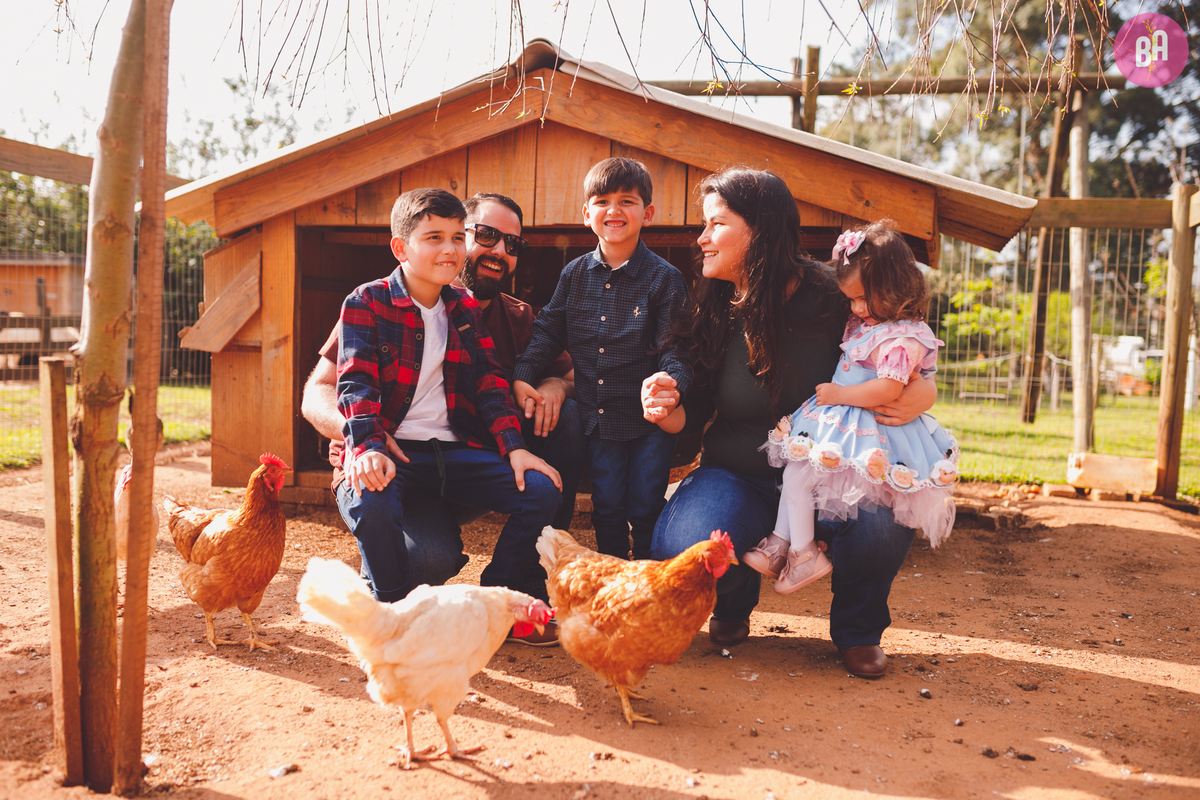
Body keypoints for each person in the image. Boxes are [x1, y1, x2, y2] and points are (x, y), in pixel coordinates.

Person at [640, 168, 937, 679]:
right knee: (685, 544)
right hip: (740, 472)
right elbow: (699, 412)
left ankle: (859, 630)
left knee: (881, 525)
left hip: (835, 475)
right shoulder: (715, 304)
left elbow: (903, 343)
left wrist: (924, 390)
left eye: (716, 224)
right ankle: (733, 602)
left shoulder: (835, 296)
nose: (701, 238)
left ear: (759, 230)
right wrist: (666, 409)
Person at [301, 191, 583, 645]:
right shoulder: (367, 301)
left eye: (455, 238)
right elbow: (351, 384)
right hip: (389, 453)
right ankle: (390, 612)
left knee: (542, 486)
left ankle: (501, 602)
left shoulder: (468, 308)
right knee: (390, 518)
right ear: (401, 247)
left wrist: (517, 449)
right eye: (436, 237)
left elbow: (491, 383)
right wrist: (365, 441)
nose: (450, 249)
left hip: (452, 457)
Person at [745, 221, 959, 594]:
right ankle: (784, 544)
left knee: (798, 475)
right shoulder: (873, 324)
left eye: (863, 298)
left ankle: (802, 553)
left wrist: (839, 395)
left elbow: (889, 387)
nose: (857, 308)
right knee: (796, 470)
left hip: (866, 430)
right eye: (852, 300)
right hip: (843, 423)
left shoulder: (901, 338)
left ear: (892, 287)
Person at [512, 157, 690, 560]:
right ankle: (613, 580)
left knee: (645, 506)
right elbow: (547, 331)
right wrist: (523, 374)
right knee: (607, 507)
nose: (614, 210)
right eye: (603, 201)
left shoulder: (665, 278)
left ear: (647, 214)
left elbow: (677, 349)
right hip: (600, 417)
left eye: (627, 201)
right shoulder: (573, 275)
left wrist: (671, 387)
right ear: (586, 214)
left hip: (649, 423)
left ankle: (646, 584)